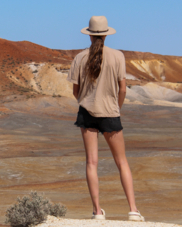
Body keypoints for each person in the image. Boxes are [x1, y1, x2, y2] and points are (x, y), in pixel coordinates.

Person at [67, 16, 145, 222]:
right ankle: (133, 210)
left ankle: (97, 211)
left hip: (87, 112)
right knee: (122, 162)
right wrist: (115, 108)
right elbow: (122, 88)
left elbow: (75, 91)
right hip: (111, 113)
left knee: (91, 163)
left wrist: (86, 102)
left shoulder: (79, 58)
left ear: (90, 35)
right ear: (106, 34)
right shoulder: (118, 56)